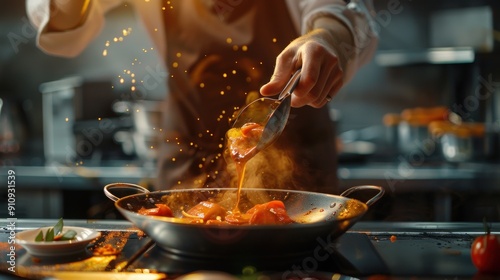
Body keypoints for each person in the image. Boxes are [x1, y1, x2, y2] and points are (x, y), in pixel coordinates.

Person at [26, 0, 378, 194]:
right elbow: (62, 26)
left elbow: (345, 11)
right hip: (186, 164)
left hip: (301, 176)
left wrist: (325, 37)